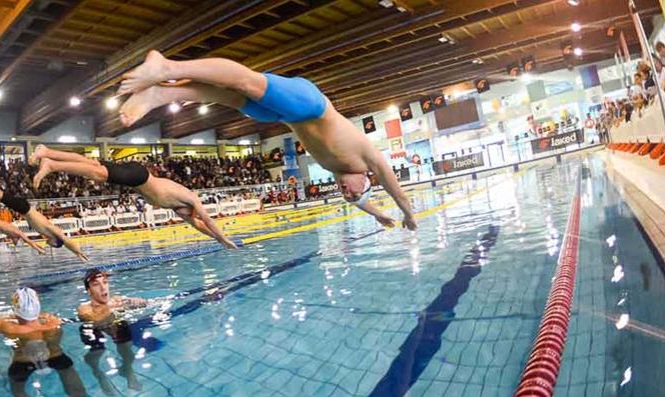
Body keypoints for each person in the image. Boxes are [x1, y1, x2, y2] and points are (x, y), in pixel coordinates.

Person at [116, 51, 417, 230]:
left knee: (226, 97)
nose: (346, 193)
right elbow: (397, 191)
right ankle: (168, 67)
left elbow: (361, 200)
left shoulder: (339, 171)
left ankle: (163, 93)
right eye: (352, 193)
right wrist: (407, 216)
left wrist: (379, 216)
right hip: (310, 105)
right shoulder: (369, 159)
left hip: (284, 116)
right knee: (244, 81)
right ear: (366, 180)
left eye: (346, 197)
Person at [30, 146, 237, 248]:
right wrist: (223, 238)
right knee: (99, 174)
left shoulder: (181, 209)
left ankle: (47, 152)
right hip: (140, 177)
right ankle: (52, 165)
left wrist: (218, 241)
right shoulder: (191, 199)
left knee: (92, 164)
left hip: (137, 177)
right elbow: (208, 220)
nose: (193, 217)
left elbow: (199, 225)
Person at [0, 169, 88, 261]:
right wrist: (78, 252)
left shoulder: (46, 233)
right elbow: (66, 240)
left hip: (23, 209)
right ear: (56, 241)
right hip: (25, 208)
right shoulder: (52, 230)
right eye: (53, 245)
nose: (50, 244)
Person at [0, 288, 87, 397]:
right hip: (55, 356)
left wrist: (14, 316)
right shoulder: (52, 322)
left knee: (18, 391)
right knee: (73, 383)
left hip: (22, 362)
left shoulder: (7, 326)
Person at [77, 269, 145, 396]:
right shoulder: (84, 308)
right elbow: (94, 319)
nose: (103, 287)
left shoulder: (117, 300)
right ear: (89, 291)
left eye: (105, 282)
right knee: (98, 352)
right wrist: (114, 308)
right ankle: (97, 372)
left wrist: (138, 302)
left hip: (113, 324)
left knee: (128, 350)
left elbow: (144, 303)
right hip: (92, 329)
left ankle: (128, 371)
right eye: (96, 284)